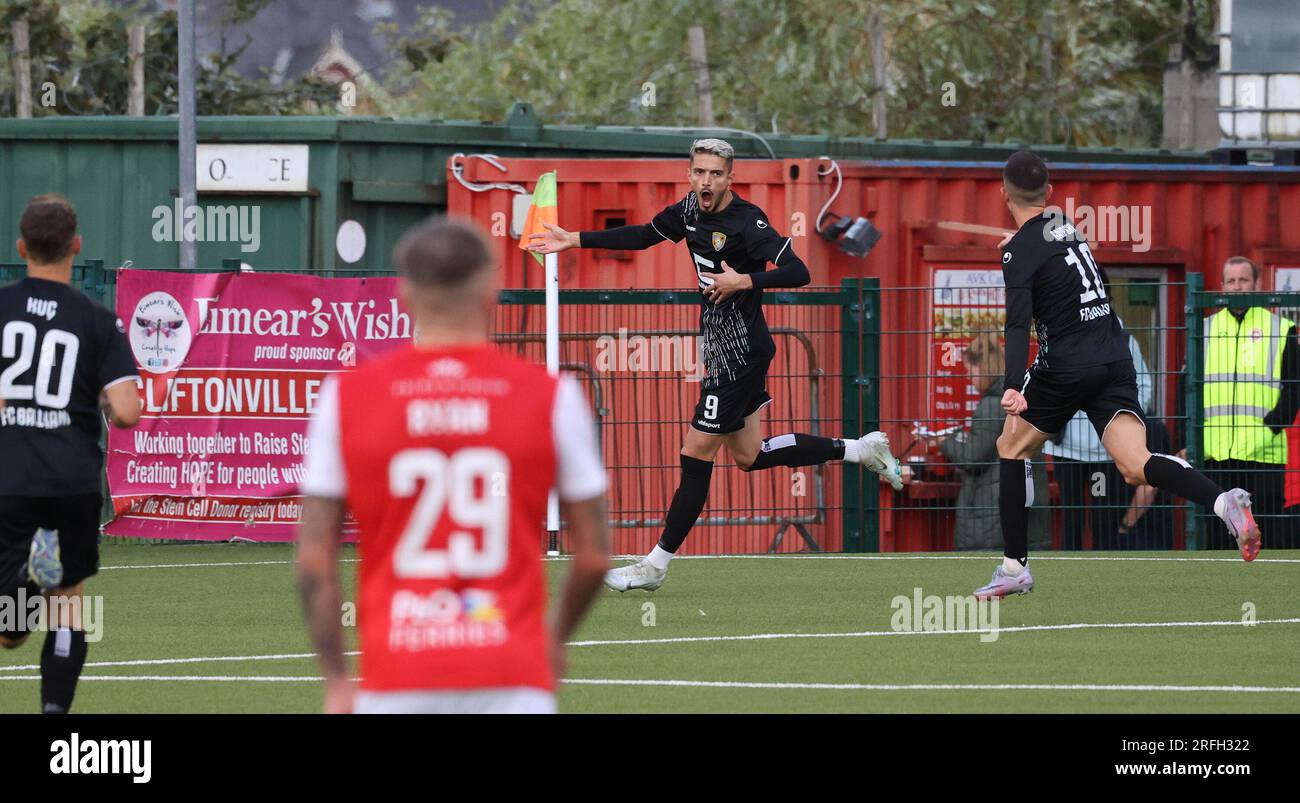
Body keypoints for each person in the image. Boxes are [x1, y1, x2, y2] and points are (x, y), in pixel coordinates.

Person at [527, 138, 901, 592]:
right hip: (727, 349)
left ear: (730, 178)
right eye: (700, 172)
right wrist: (575, 239)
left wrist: (745, 279)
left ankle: (655, 564)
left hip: (740, 353)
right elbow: (646, 234)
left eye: (716, 174)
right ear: (691, 174)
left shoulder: (748, 221)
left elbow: (800, 271)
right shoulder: (687, 210)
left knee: (694, 454)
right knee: (749, 455)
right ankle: (861, 449)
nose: (706, 181)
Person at [297, 217, 610, 714]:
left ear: (403, 296)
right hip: (511, 673)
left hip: (396, 676)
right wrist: (553, 639)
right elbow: (594, 556)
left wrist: (337, 678)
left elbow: (314, 558)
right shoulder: (551, 398)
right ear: (492, 291)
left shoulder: (346, 398)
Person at [978, 151, 1260, 600]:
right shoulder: (1065, 226)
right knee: (1135, 465)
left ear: (1001, 193)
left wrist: (1013, 383)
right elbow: (1069, 263)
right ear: (1050, 193)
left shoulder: (1021, 248)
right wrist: (1022, 248)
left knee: (1011, 448)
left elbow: (1016, 323)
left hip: (1065, 366)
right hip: (1114, 355)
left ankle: (1014, 568)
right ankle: (1224, 502)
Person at [0, 194, 141, 713]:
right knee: (67, 602)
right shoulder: (97, 321)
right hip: (72, 480)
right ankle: (54, 714)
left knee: (9, 631)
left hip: (10, 477)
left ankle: (30, 581)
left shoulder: (2, 308)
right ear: (76, 246)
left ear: (21, 247)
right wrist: (101, 393)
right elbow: (126, 411)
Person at [1200, 256, 1300, 549]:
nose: (1237, 287)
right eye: (1230, 281)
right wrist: (1188, 438)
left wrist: (1271, 426)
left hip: (1263, 456)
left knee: (1259, 539)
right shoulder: (1204, 329)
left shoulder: (1281, 329)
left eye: (1243, 280)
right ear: (1221, 286)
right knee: (1217, 542)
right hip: (1214, 454)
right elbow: (1187, 389)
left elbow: (1294, 389)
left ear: (1257, 284)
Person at [935, 333, 1050, 551]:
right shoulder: (1020, 400)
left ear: (981, 367)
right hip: (1027, 505)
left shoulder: (991, 406)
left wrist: (943, 441)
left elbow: (972, 457)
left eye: (970, 371)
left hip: (991, 516)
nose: (969, 378)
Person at [1044, 324, 1152, 549]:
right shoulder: (1062, 329)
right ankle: (1068, 575)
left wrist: (1123, 423)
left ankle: (1104, 572)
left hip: (1103, 453)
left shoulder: (1123, 337)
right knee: (1071, 519)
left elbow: (1143, 386)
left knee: (1102, 519)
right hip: (1066, 450)